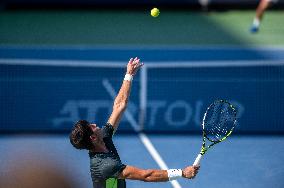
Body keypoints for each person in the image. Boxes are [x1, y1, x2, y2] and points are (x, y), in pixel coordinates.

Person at [69, 57, 200, 188]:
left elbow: (119, 105)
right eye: (91, 127)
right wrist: (182, 173)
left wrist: (129, 75)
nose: (94, 124)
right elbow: (146, 175)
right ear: (92, 137)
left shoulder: (103, 136)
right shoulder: (105, 165)